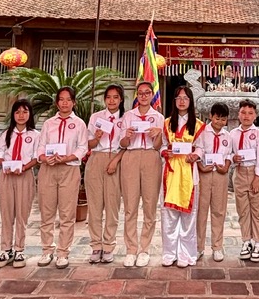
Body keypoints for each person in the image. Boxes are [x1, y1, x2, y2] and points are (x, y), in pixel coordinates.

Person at [37, 87, 88, 268]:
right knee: (47, 212)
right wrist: (44, 158)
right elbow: (41, 146)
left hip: (69, 170)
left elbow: (83, 147)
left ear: (74, 102)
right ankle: (46, 250)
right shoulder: (48, 123)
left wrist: (68, 157)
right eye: (61, 99)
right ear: (57, 102)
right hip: (48, 169)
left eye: (68, 99)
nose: (65, 103)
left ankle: (63, 252)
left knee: (67, 213)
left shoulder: (79, 124)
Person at [119, 81, 165, 267]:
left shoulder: (159, 117)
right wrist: (127, 136)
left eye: (147, 93)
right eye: (140, 93)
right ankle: (131, 249)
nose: (144, 96)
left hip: (150, 157)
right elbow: (122, 144)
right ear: (137, 95)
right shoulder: (128, 116)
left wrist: (158, 134)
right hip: (131, 156)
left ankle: (144, 248)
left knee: (149, 204)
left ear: (152, 95)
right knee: (130, 205)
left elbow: (159, 146)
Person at [0, 100, 39, 269]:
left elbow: (37, 157)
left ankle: (19, 249)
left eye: (25, 112)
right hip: (7, 175)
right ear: (12, 114)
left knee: (22, 213)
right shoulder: (6, 134)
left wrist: (24, 167)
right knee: (6, 213)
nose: (21, 115)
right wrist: (5, 165)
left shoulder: (35, 135)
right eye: (17, 112)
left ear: (30, 115)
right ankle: (6, 249)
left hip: (24, 176)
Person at [160, 86, 202, 268]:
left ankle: (186, 254)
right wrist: (165, 152)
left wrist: (196, 155)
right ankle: (169, 253)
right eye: (178, 98)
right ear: (174, 101)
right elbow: (162, 145)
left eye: (185, 98)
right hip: (170, 172)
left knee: (188, 217)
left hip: (189, 172)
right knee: (168, 216)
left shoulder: (198, 125)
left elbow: (201, 147)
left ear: (190, 101)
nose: (182, 101)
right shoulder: (166, 123)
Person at [85, 85, 125, 264]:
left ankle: (108, 245)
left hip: (116, 159)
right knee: (94, 205)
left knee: (112, 205)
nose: (112, 100)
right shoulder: (96, 117)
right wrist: (97, 137)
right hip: (97, 159)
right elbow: (89, 144)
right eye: (108, 97)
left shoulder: (125, 118)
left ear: (121, 99)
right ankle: (96, 245)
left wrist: (115, 161)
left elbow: (127, 145)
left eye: (115, 97)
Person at [194, 103, 233, 262]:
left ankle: (217, 246)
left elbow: (229, 155)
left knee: (219, 210)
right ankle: (198, 247)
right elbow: (197, 150)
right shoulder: (202, 132)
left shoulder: (227, 136)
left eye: (223, 119)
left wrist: (226, 167)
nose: (219, 122)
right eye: (217, 118)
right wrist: (201, 167)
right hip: (204, 175)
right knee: (201, 211)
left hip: (220, 175)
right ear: (210, 116)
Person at [232, 99, 259, 263]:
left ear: (255, 115)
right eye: (243, 112)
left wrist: (257, 178)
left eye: (250, 113)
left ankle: (258, 243)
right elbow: (229, 153)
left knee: (257, 210)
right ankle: (246, 241)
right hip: (240, 172)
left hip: (255, 173)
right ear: (238, 114)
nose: (246, 116)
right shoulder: (233, 134)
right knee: (243, 210)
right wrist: (233, 158)